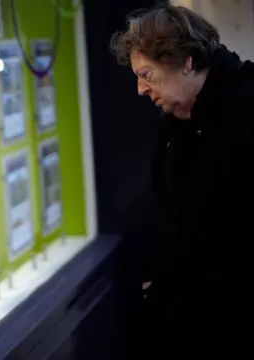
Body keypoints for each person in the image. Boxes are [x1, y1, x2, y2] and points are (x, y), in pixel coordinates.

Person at [110, 4, 254, 358]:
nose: (141, 89)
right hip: (190, 323)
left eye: (147, 74)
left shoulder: (246, 108)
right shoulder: (174, 122)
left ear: (185, 61)